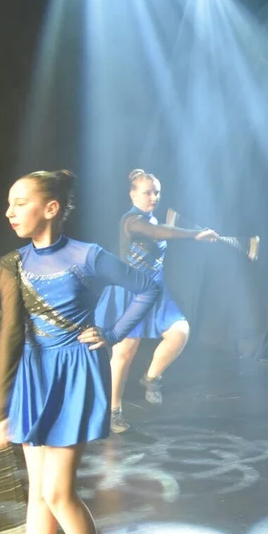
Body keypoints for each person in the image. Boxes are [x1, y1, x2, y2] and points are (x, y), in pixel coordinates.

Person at [0, 170, 161, 534]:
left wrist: (112, 333)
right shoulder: (13, 263)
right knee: (39, 494)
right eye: (9, 203)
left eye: (20, 203)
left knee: (57, 492)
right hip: (33, 375)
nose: (9, 212)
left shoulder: (87, 256)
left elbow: (147, 287)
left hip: (74, 375)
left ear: (51, 208)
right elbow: (11, 334)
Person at [95, 169, 217, 433]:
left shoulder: (151, 219)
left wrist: (193, 234)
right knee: (124, 353)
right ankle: (113, 411)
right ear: (133, 194)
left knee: (180, 332)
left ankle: (151, 377)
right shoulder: (131, 221)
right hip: (131, 292)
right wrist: (194, 234)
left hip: (156, 290)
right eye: (147, 192)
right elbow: (156, 233)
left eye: (156, 192)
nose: (153, 197)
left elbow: (162, 230)